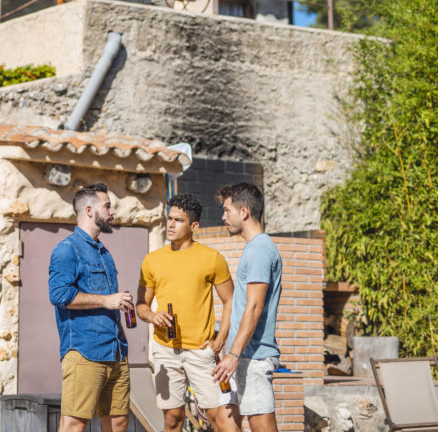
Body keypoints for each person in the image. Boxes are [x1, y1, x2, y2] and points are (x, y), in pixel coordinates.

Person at [137, 193, 237, 432]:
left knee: (220, 419)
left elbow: (231, 300)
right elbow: (141, 305)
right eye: (169, 218)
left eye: (178, 220)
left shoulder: (212, 258)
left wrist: (219, 340)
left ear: (193, 226)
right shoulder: (152, 260)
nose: (171, 224)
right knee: (172, 420)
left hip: (201, 352)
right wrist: (152, 316)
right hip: (165, 350)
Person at [48, 182, 133, 432]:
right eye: (107, 206)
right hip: (85, 352)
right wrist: (107, 300)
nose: (112, 212)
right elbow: (59, 295)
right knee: (74, 424)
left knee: (119, 423)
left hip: (116, 352)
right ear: (89, 210)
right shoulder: (67, 249)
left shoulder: (104, 253)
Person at [211, 183, 283, 432]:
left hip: (253, 357)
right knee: (224, 419)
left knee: (261, 426)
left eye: (226, 210)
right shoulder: (254, 248)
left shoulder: (260, 249)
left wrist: (234, 354)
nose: (223, 217)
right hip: (242, 355)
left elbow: (254, 306)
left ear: (244, 212)